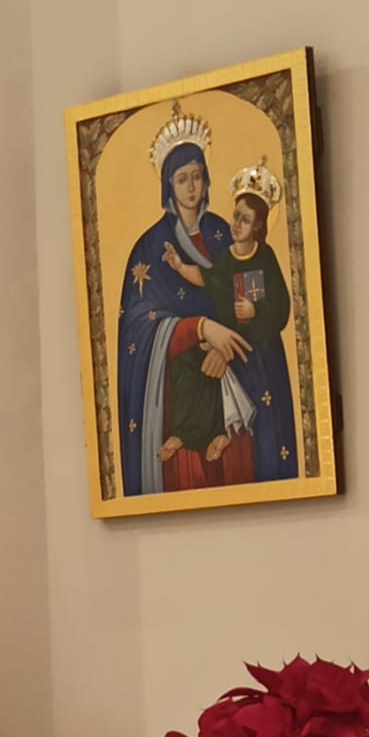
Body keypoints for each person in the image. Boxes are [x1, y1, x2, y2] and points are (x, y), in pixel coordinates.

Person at [114, 104, 260, 499]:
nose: (191, 187)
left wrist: (226, 349)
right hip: (179, 392)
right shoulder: (150, 246)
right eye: (182, 179)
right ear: (168, 185)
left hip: (231, 368)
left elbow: (253, 298)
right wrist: (197, 329)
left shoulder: (227, 234)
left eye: (197, 176)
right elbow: (139, 324)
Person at [154, 160, 298, 487]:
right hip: (229, 336)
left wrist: (255, 312)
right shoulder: (227, 256)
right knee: (188, 362)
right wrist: (178, 266)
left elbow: (281, 308)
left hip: (258, 346)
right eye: (236, 216)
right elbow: (206, 278)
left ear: (259, 226)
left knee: (226, 372)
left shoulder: (265, 258)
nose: (236, 224)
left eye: (245, 220)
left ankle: (224, 433)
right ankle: (192, 433)